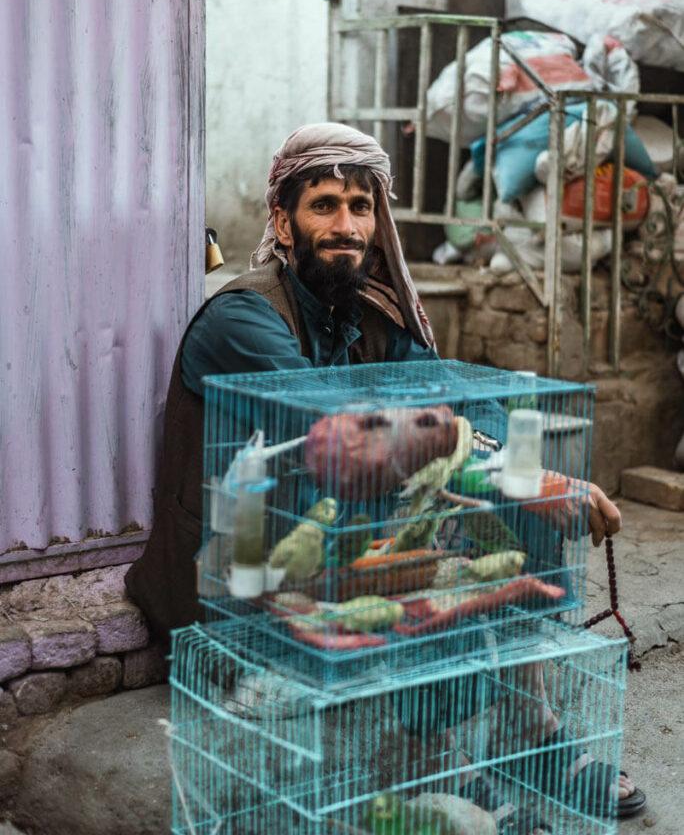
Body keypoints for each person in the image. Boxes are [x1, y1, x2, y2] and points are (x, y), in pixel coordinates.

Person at [125, 122, 643, 824]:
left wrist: (532, 477)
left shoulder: (365, 309)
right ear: (283, 220)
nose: (346, 226)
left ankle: (533, 729)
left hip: (337, 543)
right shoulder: (242, 318)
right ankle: (434, 757)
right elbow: (347, 440)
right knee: (447, 509)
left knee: (510, 502)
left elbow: (458, 402)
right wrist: (485, 464)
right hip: (234, 577)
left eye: (361, 207)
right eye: (325, 206)